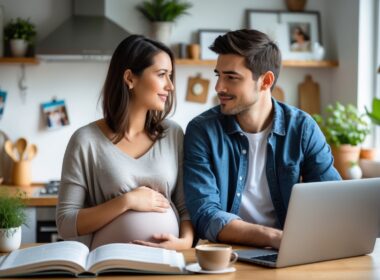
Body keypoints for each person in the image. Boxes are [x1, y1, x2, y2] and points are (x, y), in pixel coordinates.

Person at [183, 29, 341, 249]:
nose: (219, 87)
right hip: (229, 253)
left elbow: (332, 200)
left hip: (290, 252)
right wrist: (276, 238)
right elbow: (205, 215)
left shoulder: (303, 128)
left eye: (231, 77)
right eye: (218, 75)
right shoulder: (202, 131)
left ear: (266, 81)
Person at [56, 35, 194, 250]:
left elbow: (185, 208)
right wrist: (127, 201)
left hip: (166, 265)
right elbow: (65, 223)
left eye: (171, 76)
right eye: (161, 75)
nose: (170, 86)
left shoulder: (173, 134)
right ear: (130, 78)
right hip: (108, 268)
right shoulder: (86, 141)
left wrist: (184, 243)